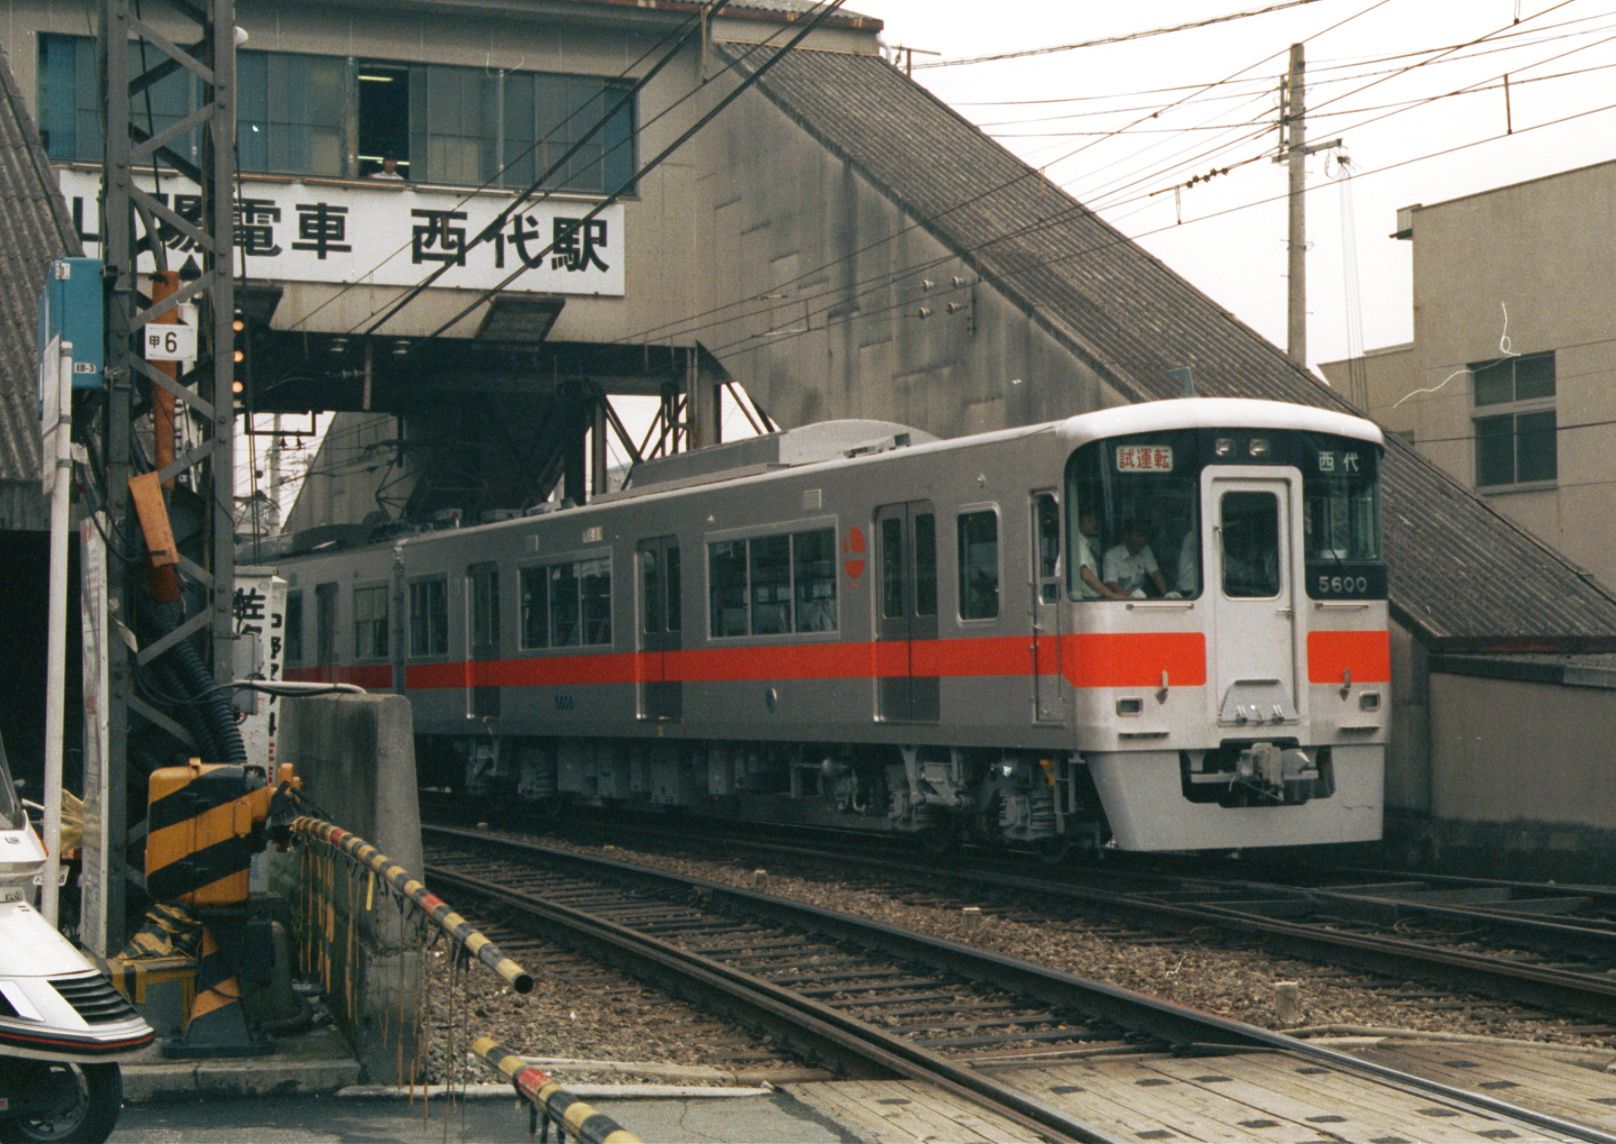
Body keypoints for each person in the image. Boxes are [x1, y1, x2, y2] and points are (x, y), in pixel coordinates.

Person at [1103, 520, 1169, 598]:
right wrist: (1130, 597)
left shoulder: (1146, 550)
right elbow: (1111, 584)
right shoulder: (1112, 555)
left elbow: (1155, 574)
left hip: (1140, 599)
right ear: (1127, 536)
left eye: (1144, 536)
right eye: (1139, 536)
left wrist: (1166, 594)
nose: (1143, 540)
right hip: (1118, 600)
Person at [1076, 511, 1127, 600]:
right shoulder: (1077, 544)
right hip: (1085, 598)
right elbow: (1087, 576)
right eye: (1089, 521)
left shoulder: (1084, 544)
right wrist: (1111, 595)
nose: (1094, 524)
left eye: (1093, 520)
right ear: (1078, 523)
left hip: (1091, 596)